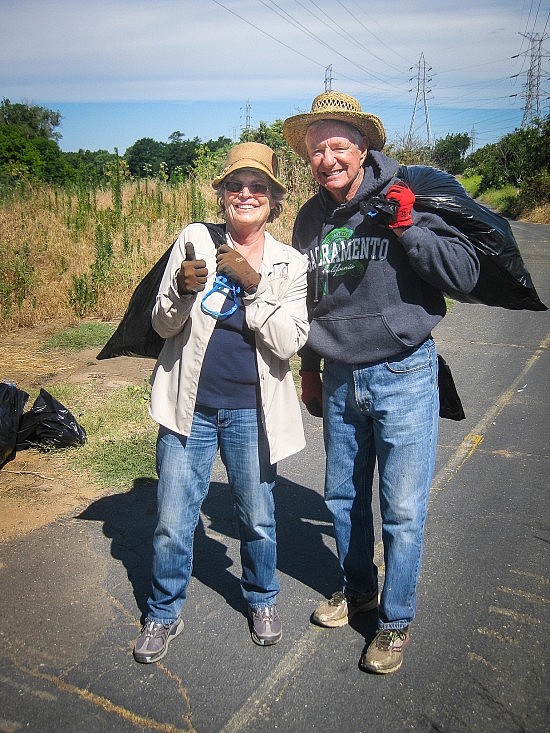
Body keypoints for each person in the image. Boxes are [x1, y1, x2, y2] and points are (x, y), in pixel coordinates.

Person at [282, 91, 480, 674]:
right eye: (317, 150)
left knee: (401, 507)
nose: (327, 159)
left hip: (404, 371)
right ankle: (359, 588)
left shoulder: (408, 197)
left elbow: (462, 275)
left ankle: (395, 622)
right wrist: (311, 371)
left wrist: (407, 224)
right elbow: (307, 300)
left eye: (338, 145)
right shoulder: (311, 217)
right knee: (342, 498)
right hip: (339, 374)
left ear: (363, 147)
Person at [133, 142, 309, 663]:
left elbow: (290, 343)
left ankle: (261, 598)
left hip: (252, 412)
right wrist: (182, 293)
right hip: (190, 410)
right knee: (172, 517)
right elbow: (162, 325)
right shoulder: (194, 240)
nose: (246, 194)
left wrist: (254, 286)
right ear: (223, 195)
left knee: (256, 515)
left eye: (259, 188)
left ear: (275, 201)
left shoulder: (289, 263)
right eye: (237, 186)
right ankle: (163, 613)